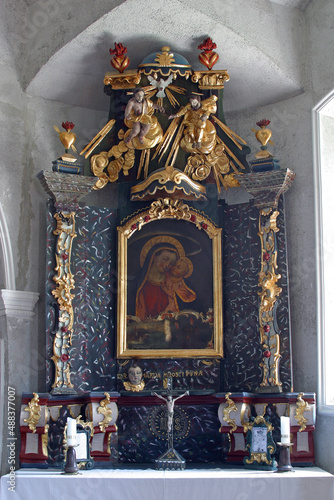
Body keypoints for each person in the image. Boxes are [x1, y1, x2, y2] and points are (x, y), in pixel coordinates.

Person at [135, 247, 178, 321]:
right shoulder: (139, 284)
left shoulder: (171, 284)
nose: (167, 265)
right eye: (165, 259)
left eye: (171, 263)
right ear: (154, 257)